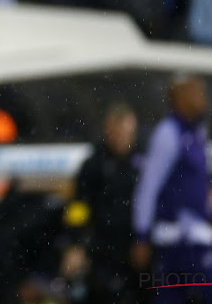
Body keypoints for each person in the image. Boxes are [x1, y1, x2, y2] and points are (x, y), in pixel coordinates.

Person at [132, 74, 212, 304]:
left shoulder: (198, 131)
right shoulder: (168, 133)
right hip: (178, 237)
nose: (203, 96)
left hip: (195, 233)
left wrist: (210, 213)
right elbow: (148, 187)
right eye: (196, 91)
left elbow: (198, 182)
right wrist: (141, 235)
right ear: (179, 95)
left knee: (171, 296)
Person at [68, 103, 141, 303]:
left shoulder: (141, 161)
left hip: (135, 244)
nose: (122, 138)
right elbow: (79, 205)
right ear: (108, 130)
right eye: (117, 132)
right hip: (102, 245)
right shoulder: (94, 164)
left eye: (127, 132)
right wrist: (76, 242)